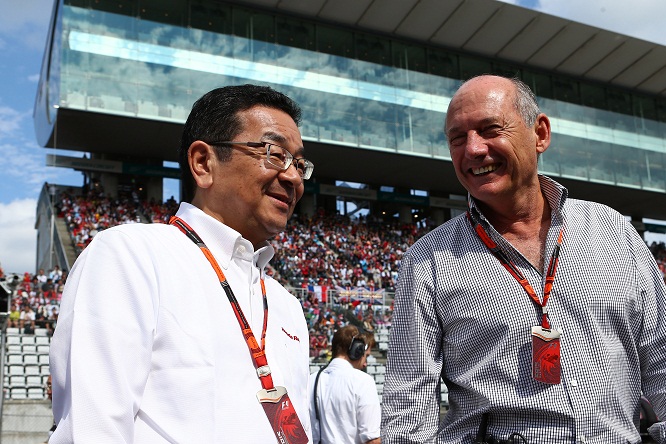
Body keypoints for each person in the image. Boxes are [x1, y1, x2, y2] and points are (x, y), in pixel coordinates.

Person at [381, 75, 666, 443]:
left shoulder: (614, 232)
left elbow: (661, 360)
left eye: (490, 129)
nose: (473, 149)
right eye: (457, 138)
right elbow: (407, 412)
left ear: (540, 134)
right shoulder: (427, 262)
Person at [49, 84, 315, 443]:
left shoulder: (287, 303)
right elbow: (92, 430)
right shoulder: (131, 257)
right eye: (273, 154)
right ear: (204, 163)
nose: (293, 177)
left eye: (299, 163)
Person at [309, 325, 381, 444]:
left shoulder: (311, 381)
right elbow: (372, 440)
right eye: (366, 356)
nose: (365, 364)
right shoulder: (363, 381)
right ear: (357, 351)